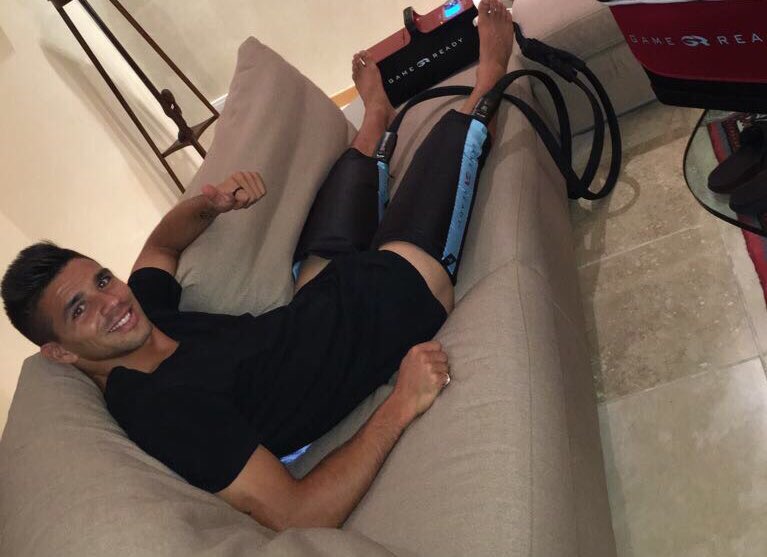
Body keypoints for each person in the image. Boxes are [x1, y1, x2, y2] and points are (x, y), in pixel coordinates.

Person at [1, 0, 514, 532]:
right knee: (454, 135)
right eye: (80, 308)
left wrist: (213, 205)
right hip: (392, 301)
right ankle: (492, 71)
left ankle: (375, 120)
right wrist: (401, 403)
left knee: (340, 192)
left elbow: (161, 248)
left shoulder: (141, 313)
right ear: (59, 351)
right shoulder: (158, 409)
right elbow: (297, 512)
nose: (111, 301)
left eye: (102, 278)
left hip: (313, 299)